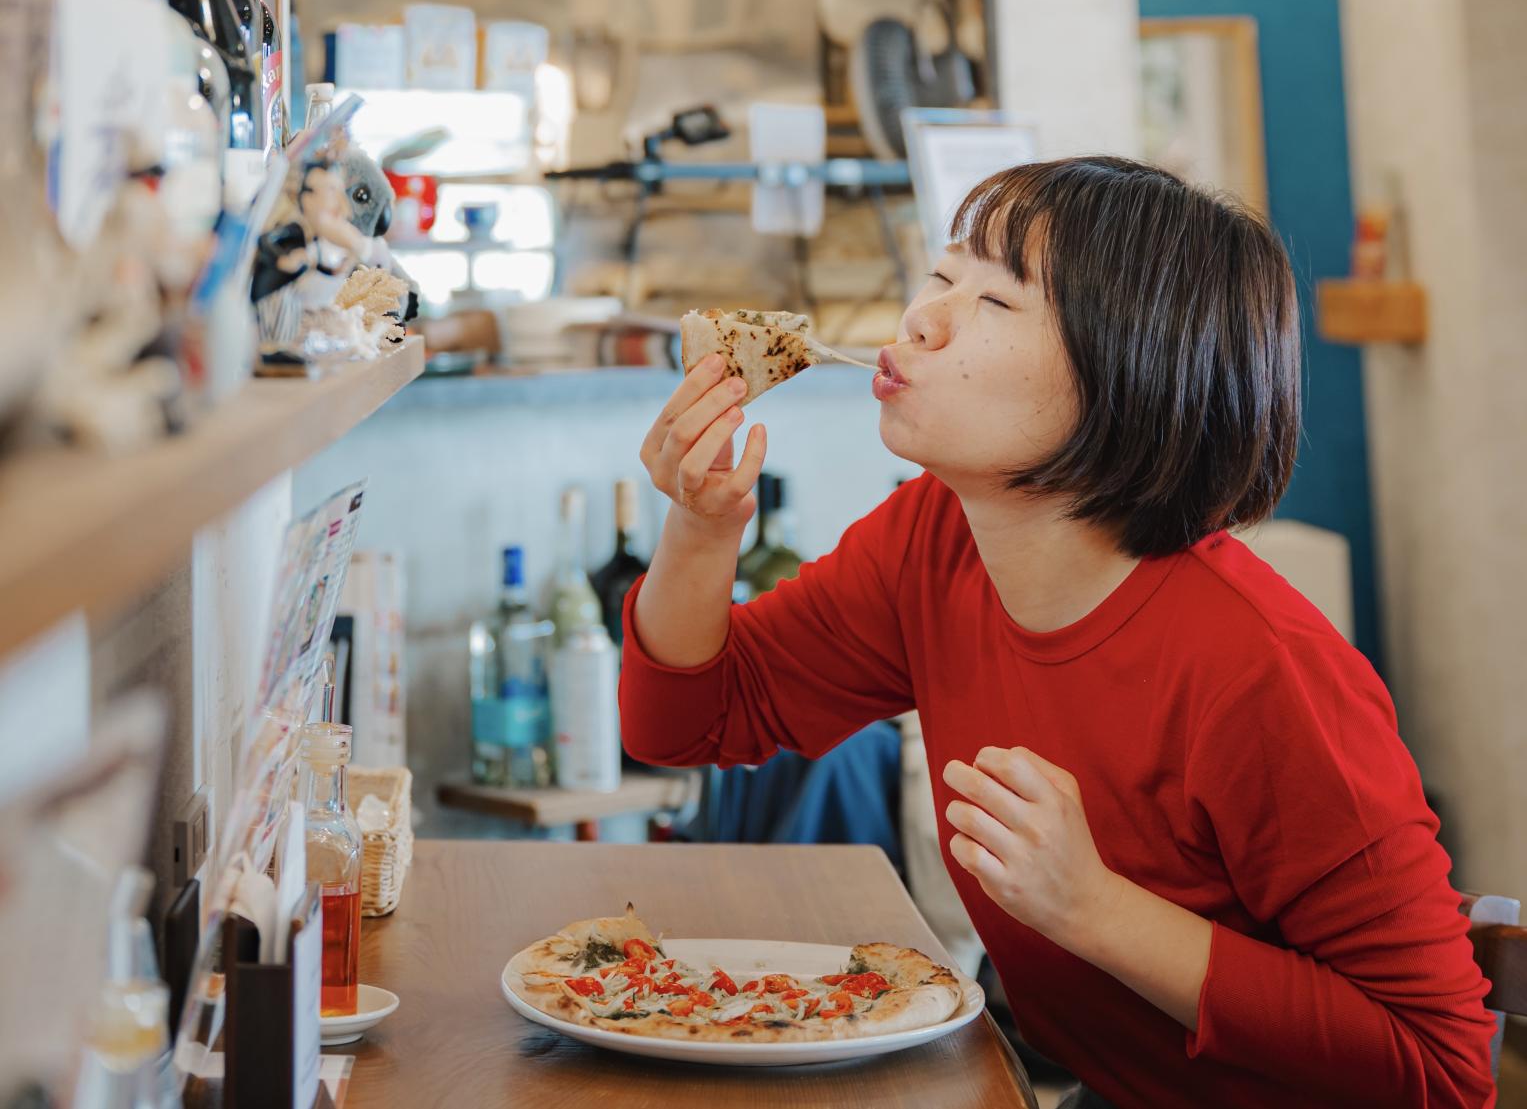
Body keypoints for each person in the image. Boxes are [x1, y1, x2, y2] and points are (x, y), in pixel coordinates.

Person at [619, 156, 1496, 1108]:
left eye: (996, 304)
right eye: (945, 275)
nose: (922, 318)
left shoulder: (1258, 670)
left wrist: (1095, 909)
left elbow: (1442, 1073)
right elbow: (689, 724)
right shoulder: (933, 541)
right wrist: (702, 529)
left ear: (1130, 374)